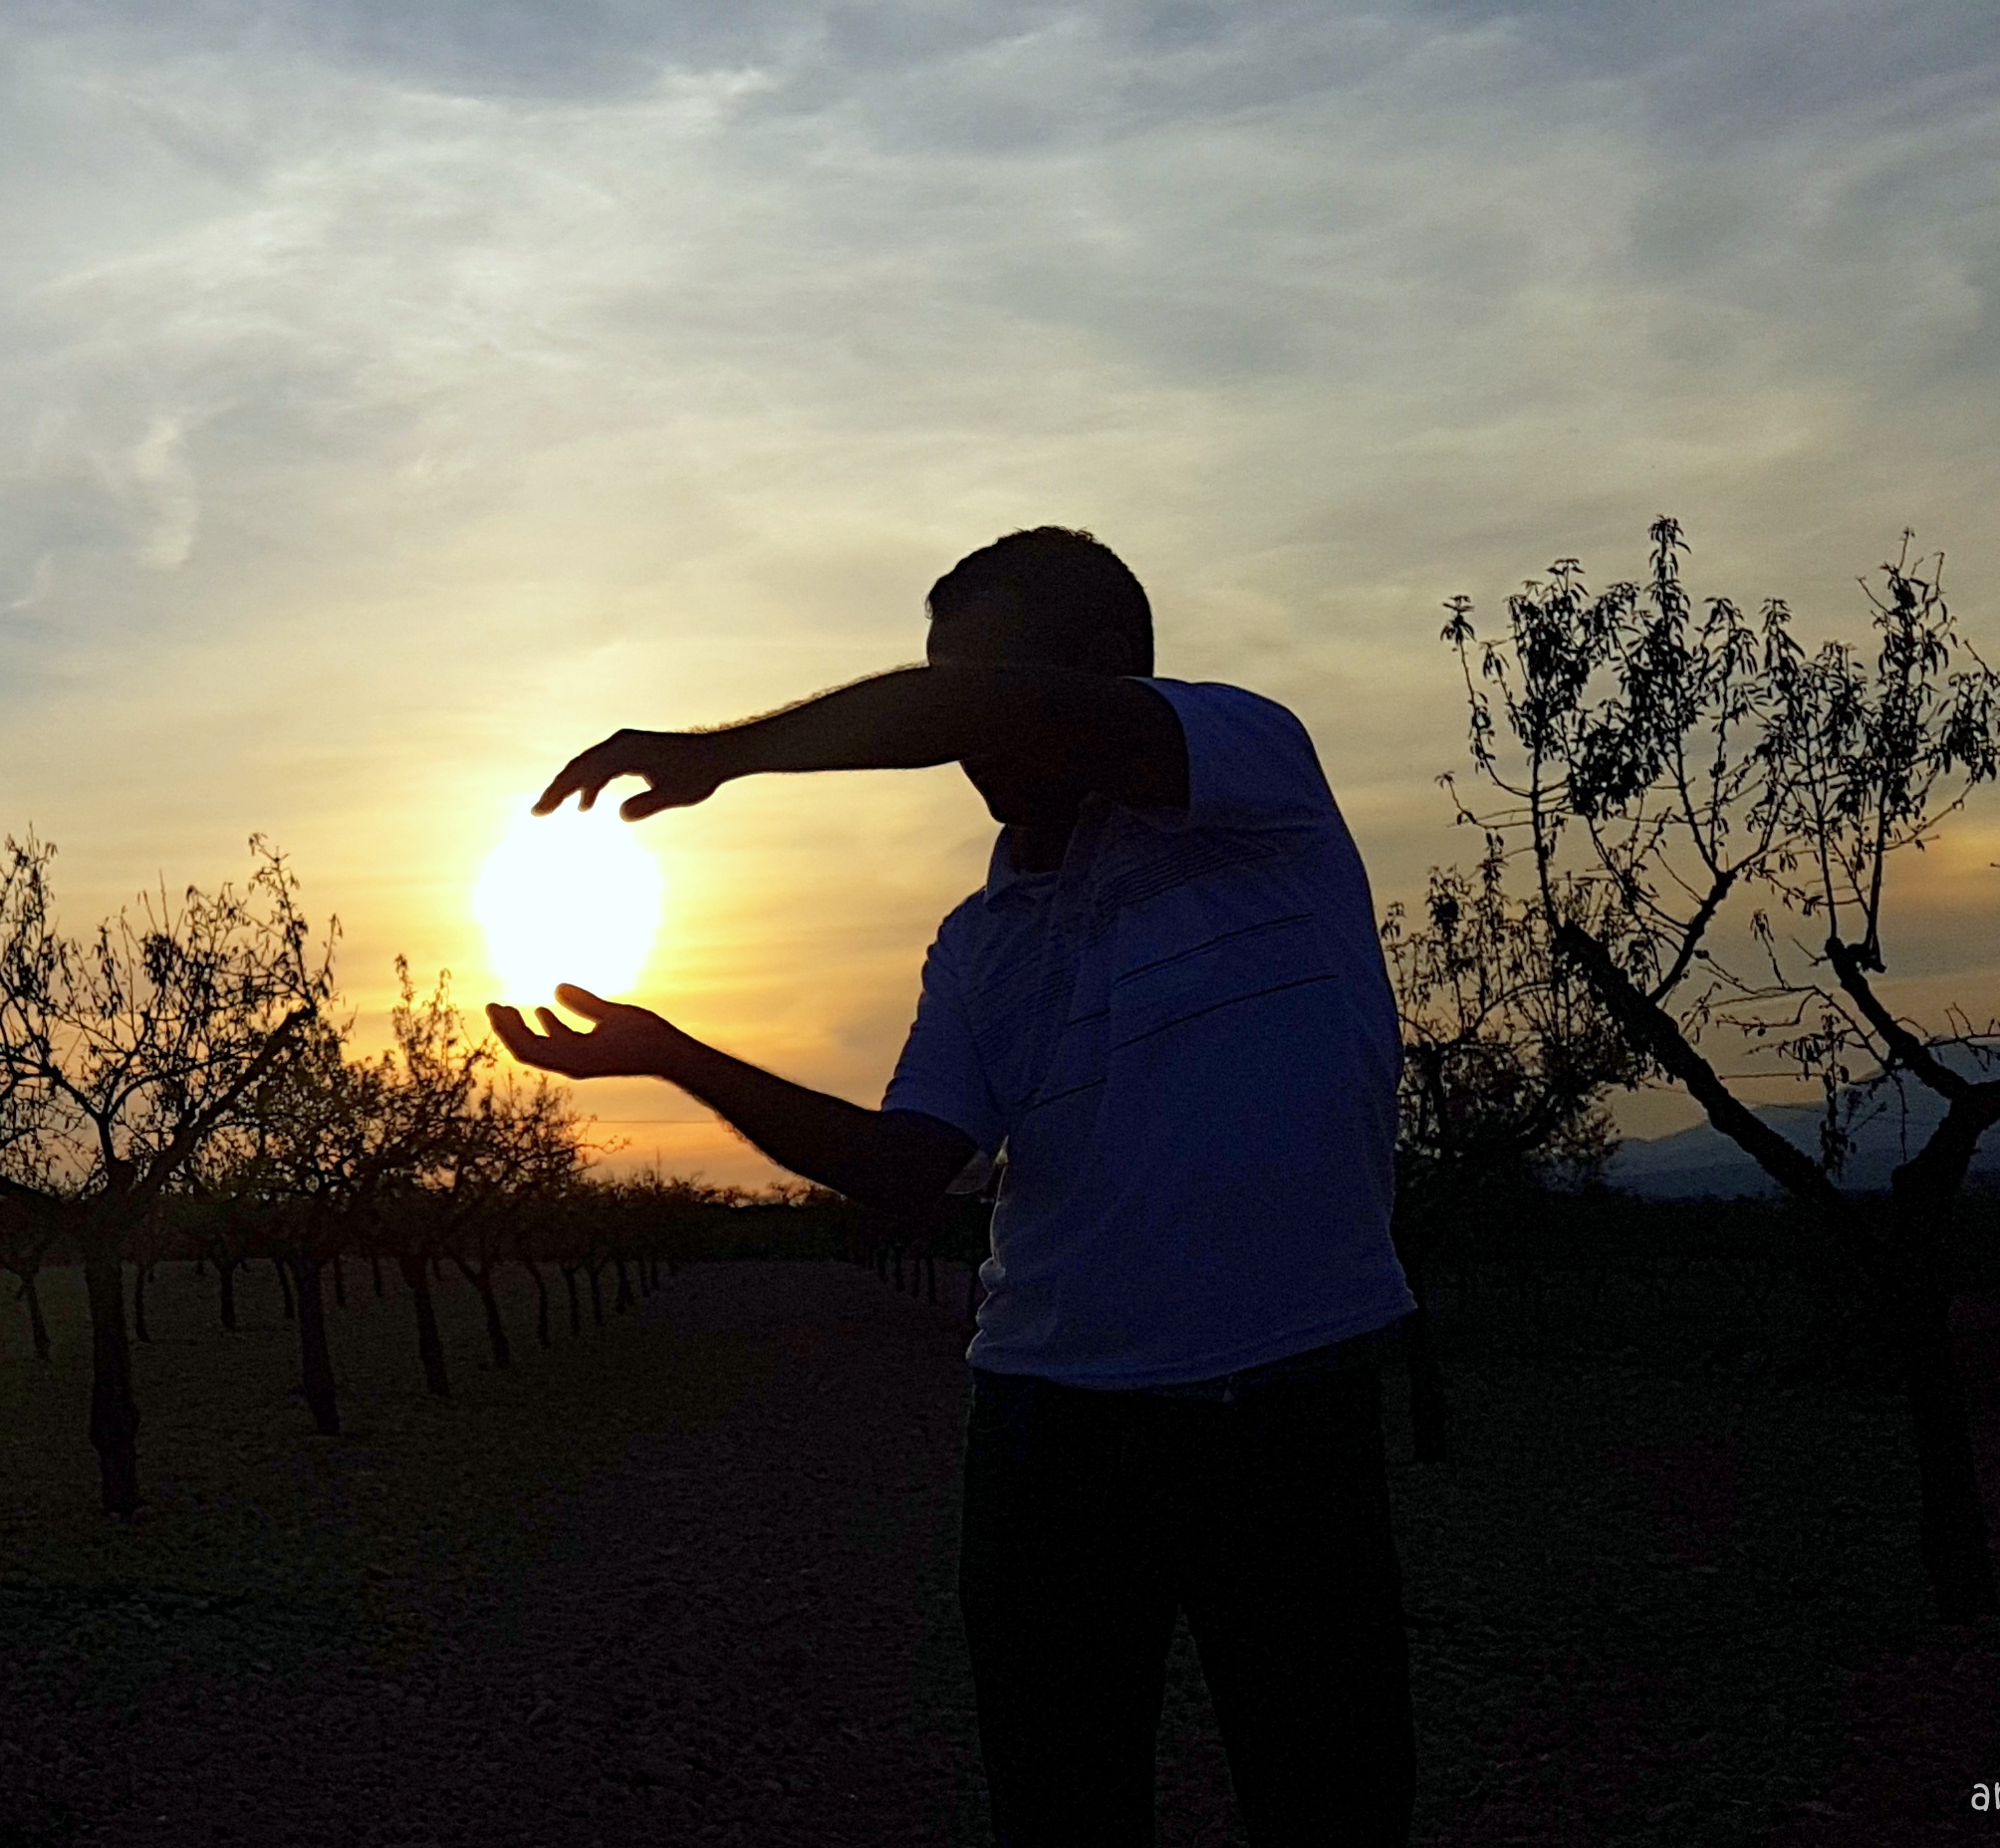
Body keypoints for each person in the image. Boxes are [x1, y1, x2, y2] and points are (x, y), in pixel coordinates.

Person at [487, 526, 1417, 1846]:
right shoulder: (978, 942)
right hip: (1048, 1433)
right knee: (1059, 1814)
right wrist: (667, 1053)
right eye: (939, 699)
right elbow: (904, 1170)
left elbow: (993, 716)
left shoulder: (1254, 767)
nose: (955, 742)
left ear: (1104, 668)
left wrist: (722, 754)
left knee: (1332, 1808)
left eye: (973, 692)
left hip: (1287, 1410)